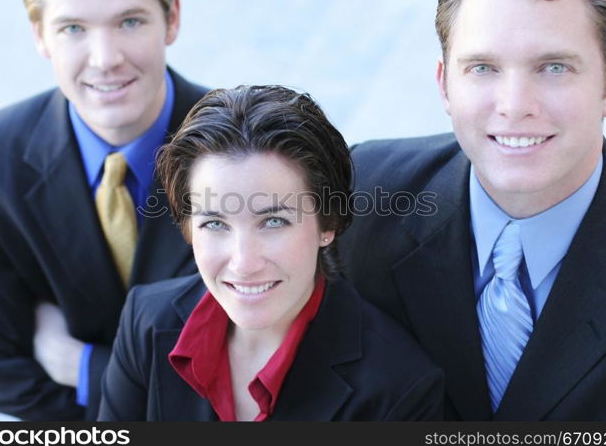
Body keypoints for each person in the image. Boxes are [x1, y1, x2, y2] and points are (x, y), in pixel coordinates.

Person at [340, 0, 606, 420]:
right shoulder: (361, 196)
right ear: (444, 86)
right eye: (482, 68)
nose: (515, 105)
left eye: (554, 67)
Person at [0, 0, 207, 420]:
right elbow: (1, 372)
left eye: (129, 21)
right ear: (39, 36)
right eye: (73, 28)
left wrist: (85, 366)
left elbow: (261, 367)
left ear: (171, 20)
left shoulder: (252, 149)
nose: (106, 59)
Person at [98, 85, 444, 421]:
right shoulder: (146, 321)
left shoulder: (399, 389)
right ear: (188, 228)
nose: (244, 263)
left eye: (274, 221)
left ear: (328, 224)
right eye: (216, 224)